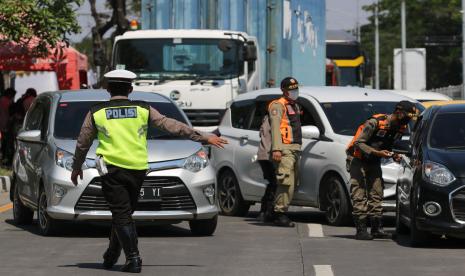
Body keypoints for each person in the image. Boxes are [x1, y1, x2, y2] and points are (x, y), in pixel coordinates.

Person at [70, 69, 228, 273]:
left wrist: (76, 167)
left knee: (121, 214)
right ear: (130, 88)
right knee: (124, 214)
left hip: (112, 171)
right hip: (137, 170)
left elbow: (83, 142)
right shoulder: (143, 109)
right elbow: (171, 125)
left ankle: (133, 259)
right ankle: (111, 254)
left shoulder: (97, 112)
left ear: (108, 89)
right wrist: (203, 136)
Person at [346, 101, 417, 240]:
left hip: (374, 161)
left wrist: (394, 155)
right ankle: (361, 230)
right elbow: (358, 143)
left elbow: (388, 145)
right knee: (359, 193)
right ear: (399, 112)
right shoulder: (376, 122)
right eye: (407, 116)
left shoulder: (400, 127)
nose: (408, 121)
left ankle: (376, 229)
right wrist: (378, 153)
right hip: (357, 159)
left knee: (377, 192)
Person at [268, 77, 302, 227]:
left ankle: (275, 211)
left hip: (294, 149)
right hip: (284, 148)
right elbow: (275, 127)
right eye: (291, 89)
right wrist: (277, 148)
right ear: (283, 90)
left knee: (293, 183)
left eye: (296, 89)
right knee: (285, 182)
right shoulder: (278, 105)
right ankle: (279, 213)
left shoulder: (294, 105)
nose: (294, 92)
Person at [256, 111, 277, 222]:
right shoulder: (275, 118)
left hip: (263, 154)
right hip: (270, 155)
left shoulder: (266, 118)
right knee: (274, 183)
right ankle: (267, 212)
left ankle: (264, 211)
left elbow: (261, 133)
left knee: (271, 183)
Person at [0, 88, 16, 166]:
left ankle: (3, 157)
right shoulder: (7, 101)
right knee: (6, 142)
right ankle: (5, 158)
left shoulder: (2, 99)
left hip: (2, 123)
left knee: (4, 141)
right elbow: (9, 112)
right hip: (6, 123)